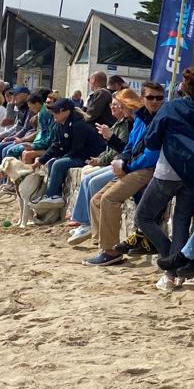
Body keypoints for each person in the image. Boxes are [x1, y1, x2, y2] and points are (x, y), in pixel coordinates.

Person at [135, 68, 194, 262]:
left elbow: (151, 140)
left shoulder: (171, 107)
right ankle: (175, 266)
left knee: (143, 217)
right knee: (181, 221)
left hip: (167, 171)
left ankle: (169, 254)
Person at [81, 81, 165, 265]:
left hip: (150, 170)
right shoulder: (140, 119)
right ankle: (103, 245)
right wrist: (121, 161)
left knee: (109, 199)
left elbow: (152, 156)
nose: (155, 101)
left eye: (159, 98)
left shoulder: (157, 120)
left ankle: (111, 253)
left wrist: (125, 166)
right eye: (151, 97)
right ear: (142, 99)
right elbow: (130, 147)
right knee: (96, 199)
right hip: (135, 166)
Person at [66, 88, 147, 245]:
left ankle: (102, 239)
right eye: (112, 105)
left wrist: (111, 141)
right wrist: (105, 158)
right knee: (90, 183)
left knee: (100, 190)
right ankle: (91, 229)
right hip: (125, 165)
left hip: (135, 168)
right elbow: (127, 150)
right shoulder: (131, 121)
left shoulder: (133, 122)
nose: (114, 108)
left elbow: (130, 151)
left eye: (117, 105)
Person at [33, 97, 104, 203]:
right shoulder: (59, 125)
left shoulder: (78, 125)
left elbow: (77, 149)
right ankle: (55, 194)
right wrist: (41, 160)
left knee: (58, 164)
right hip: (77, 154)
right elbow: (56, 146)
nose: (54, 114)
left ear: (66, 112)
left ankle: (51, 195)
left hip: (88, 156)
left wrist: (62, 157)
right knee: (52, 162)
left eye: (57, 111)